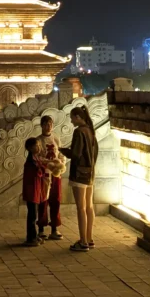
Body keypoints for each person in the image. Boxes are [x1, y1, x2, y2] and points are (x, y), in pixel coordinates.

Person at [60, 105, 98, 252]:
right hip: (90, 172)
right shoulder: (90, 130)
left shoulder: (79, 132)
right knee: (89, 207)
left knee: (81, 208)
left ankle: (82, 242)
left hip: (80, 173)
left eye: (72, 118)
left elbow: (75, 154)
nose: (71, 121)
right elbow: (95, 153)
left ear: (77, 117)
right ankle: (89, 238)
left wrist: (63, 150)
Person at [36, 115, 65, 240]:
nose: (49, 127)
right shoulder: (38, 140)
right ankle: (41, 228)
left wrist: (60, 164)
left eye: (51, 124)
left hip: (55, 174)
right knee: (43, 200)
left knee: (56, 200)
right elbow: (37, 157)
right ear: (42, 125)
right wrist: (48, 164)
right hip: (44, 175)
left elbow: (61, 154)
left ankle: (54, 228)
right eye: (46, 124)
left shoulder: (56, 139)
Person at [21, 137, 47, 247]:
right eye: (37, 145)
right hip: (31, 191)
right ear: (30, 148)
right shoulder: (31, 161)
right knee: (32, 216)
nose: (39, 147)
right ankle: (30, 238)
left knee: (34, 214)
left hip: (35, 191)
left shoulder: (35, 157)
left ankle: (34, 235)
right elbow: (37, 173)